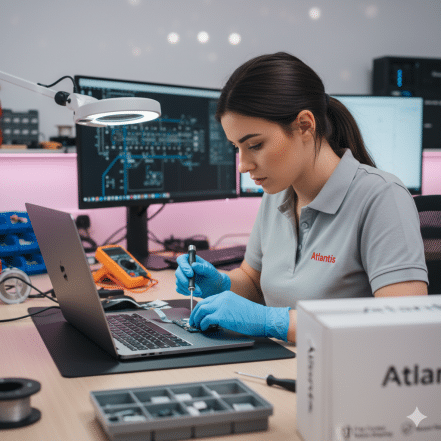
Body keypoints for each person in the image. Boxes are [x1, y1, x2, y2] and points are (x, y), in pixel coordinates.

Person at [175, 52, 428, 343]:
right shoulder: (278, 193)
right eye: (236, 148)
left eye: (255, 145)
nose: (243, 165)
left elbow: (403, 323)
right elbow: (256, 283)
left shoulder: (382, 198)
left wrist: (274, 321)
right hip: (279, 367)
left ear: (305, 125)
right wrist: (221, 284)